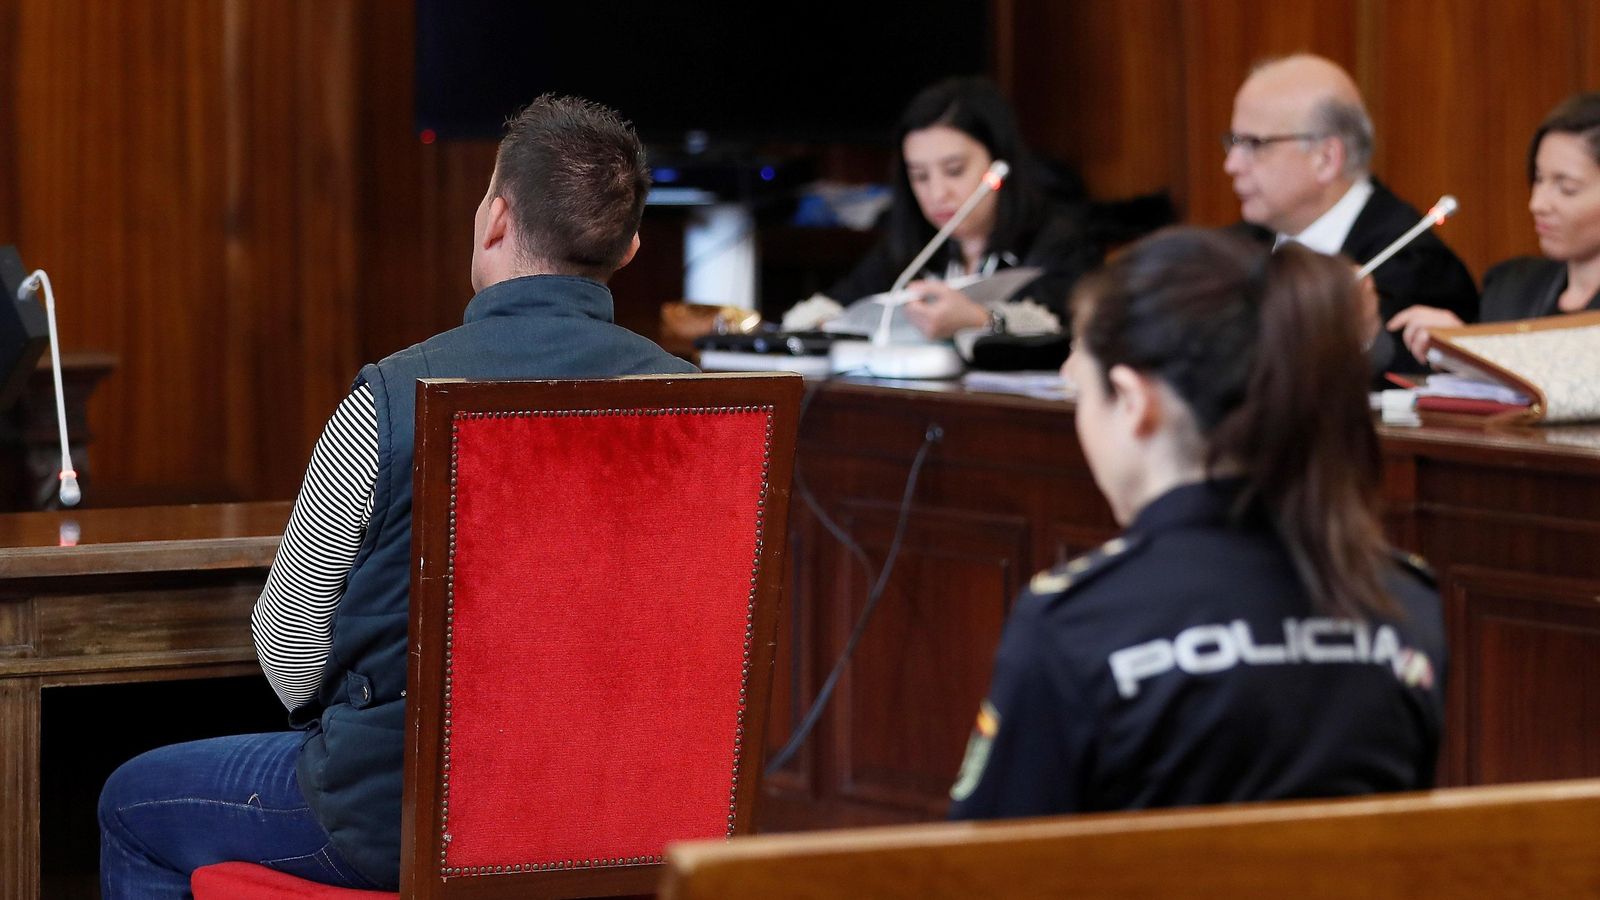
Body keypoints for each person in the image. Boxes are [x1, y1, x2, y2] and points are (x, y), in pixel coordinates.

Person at [98, 95, 697, 895]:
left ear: (495, 217)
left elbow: (288, 648)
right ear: (627, 248)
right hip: (622, 813)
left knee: (129, 801)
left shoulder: (391, 396)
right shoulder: (706, 403)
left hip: (400, 814)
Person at [947, 228, 1445, 820]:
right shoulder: (1404, 603)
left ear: (1134, 402)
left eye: (1080, 392)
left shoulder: (1074, 623)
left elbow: (985, 866)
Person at [1224, 54, 1477, 377]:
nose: (1231, 165)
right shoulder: (1230, 251)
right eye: (1233, 142)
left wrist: (1368, 339)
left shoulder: (1416, 267)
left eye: (1254, 144)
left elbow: (1404, 396)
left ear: (1326, 158)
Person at [798, 76, 1099, 345]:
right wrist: (825, 323)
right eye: (920, 176)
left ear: (999, 165)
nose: (938, 193)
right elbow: (834, 305)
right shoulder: (913, 246)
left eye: (954, 170)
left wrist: (981, 319)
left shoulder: (1059, 239)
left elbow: (1069, 329)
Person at [1390, 92, 1600, 363]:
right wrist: (1456, 351)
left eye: (1567, 188)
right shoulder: (1510, 287)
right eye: (1538, 179)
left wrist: (1481, 356)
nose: (1537, 204)